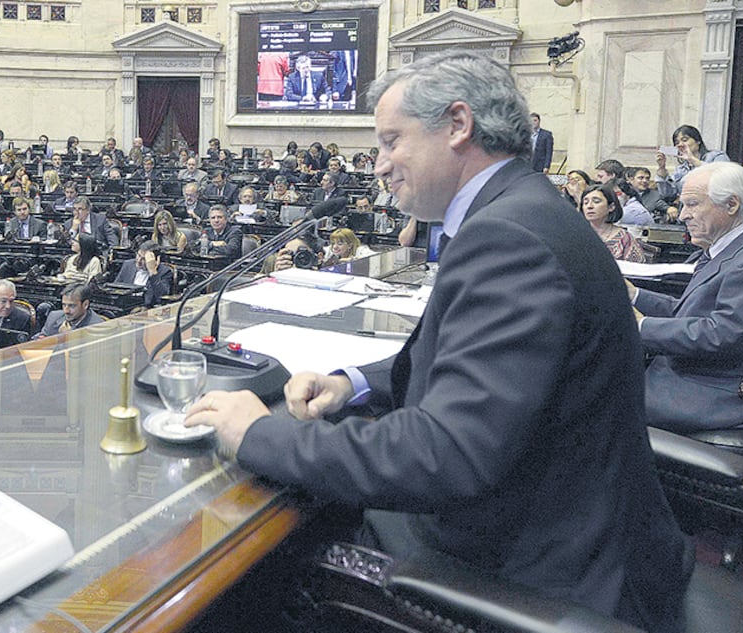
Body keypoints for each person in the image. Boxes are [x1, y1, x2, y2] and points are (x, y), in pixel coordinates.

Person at [184, 50, 692, 632]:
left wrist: (260, 434)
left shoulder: (507, 238)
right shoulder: (524, 209)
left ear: (457, 125)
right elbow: (473, 365)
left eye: (391, 141)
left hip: (538, 562)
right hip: (557, 512)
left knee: (253, 571)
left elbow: (446, 453)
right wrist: (351, 383)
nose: (379, 166)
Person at [629, 161, 743, 434]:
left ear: (731, 204)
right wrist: (634, 295)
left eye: (693, 204)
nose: (683, 215)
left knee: (589, 399)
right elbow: (689, 311)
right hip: (687, 376)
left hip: (713, 393)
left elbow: (722, 332)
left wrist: (641, 326)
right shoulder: (725, 250)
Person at [655, 124, 730, 198]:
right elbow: (667, 194)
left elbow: (723, 178)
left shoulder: (717, 156)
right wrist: (662, 168)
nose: (680, 144)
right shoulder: (681, 169)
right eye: (677, 143)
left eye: (685, 140)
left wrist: (693, 160)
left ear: (698, 141)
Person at [582, 183, 646, 262]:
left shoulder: (625, 239)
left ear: (611, 207)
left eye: (596, 201)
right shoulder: (577, 235)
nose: (589, 206)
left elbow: (637, 267)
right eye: (585, 203)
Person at [114, 240, 173, 308]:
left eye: (144, 259)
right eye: (138, 255)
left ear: (156, 260)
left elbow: (162, 297)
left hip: (146, 308)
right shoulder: (128, 265)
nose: (139, 261)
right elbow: (115, 287)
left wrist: (153, 272)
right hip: (125, 305)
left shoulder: (164, 271)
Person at [37, 283, 104, 337]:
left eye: (72, 306)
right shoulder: (54, 317)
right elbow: (38, 341)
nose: (66, 311)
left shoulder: (97, 328)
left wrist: (68, 338)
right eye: (64, 305)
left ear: (85, 305)